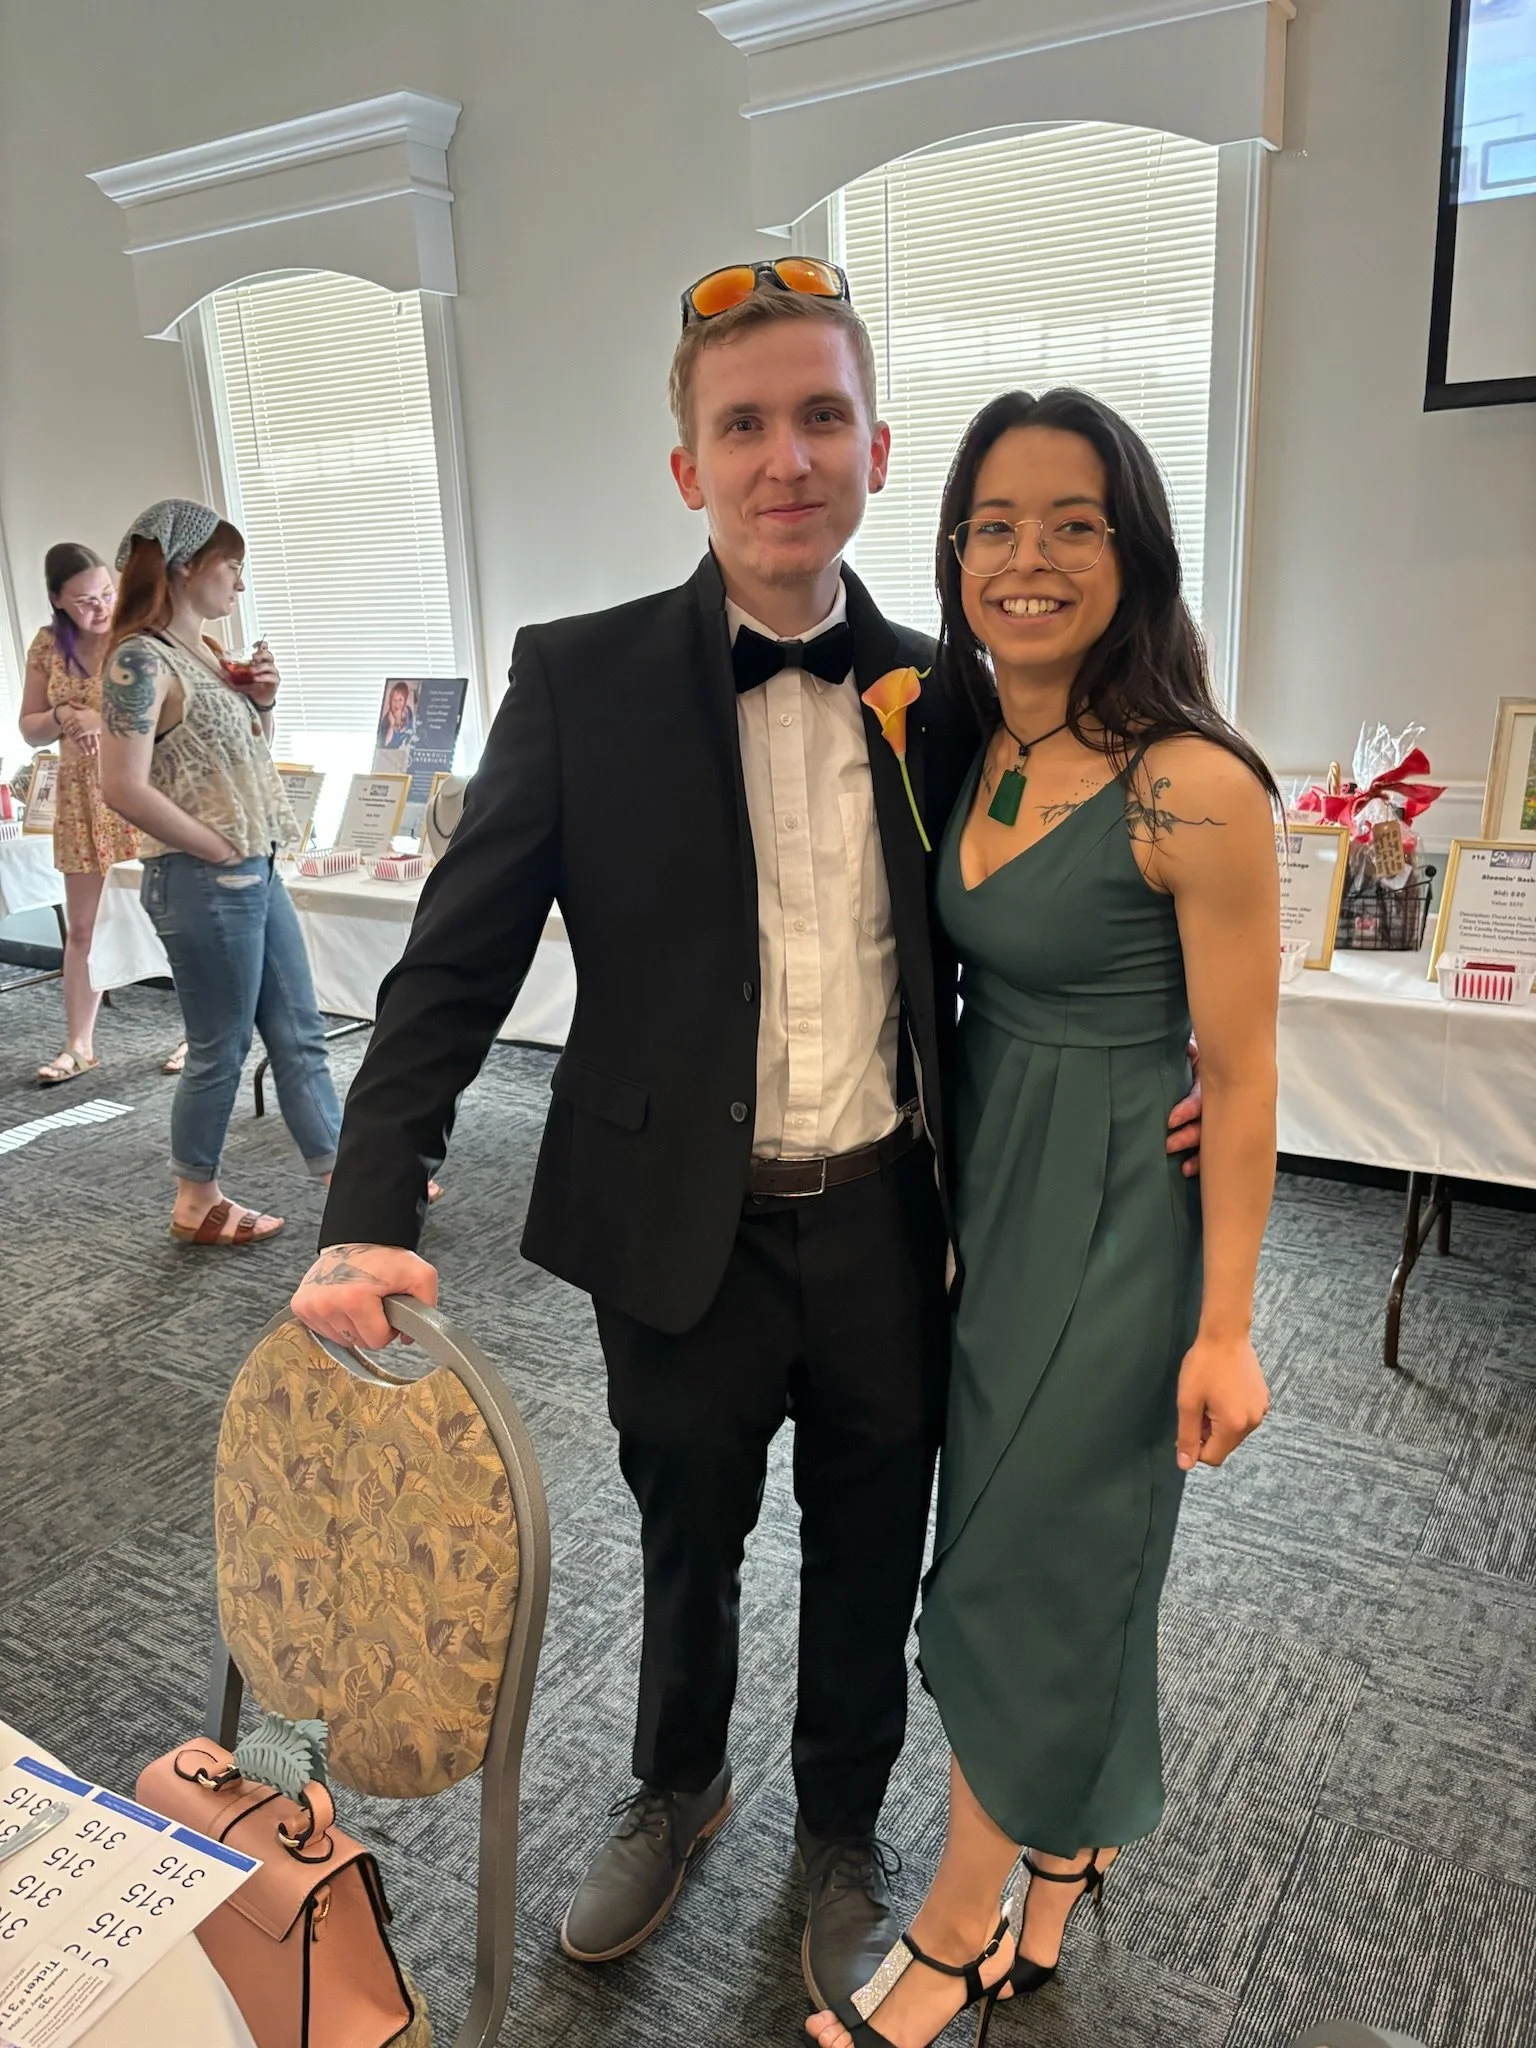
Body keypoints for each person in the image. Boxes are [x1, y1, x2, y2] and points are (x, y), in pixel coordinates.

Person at [289, 267, 1200, 2010]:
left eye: (821, 417)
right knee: (684, 1525)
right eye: (745, 424)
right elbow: (456, 961)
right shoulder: (580, 678)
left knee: (873, 1541)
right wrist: (365, 1201)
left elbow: (1081, 885)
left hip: (890, 1216)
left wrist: (1200, 1047)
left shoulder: (951, 690)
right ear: (687, 465)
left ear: (876, 450)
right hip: (670, 1216)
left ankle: (841, 1828)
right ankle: (675, 1781)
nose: (787, 457)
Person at [806, 390, 1280, 2048]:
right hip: (990, 1198)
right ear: (953, 553)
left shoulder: (1192, 788)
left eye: (1075, 523)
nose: (1031, 557)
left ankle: (952, 1928)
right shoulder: (972, 732)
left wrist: (1227, 1326)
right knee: (1069, 1551)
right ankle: (1064, 1851)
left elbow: (1245, 1072)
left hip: (1121, 1211)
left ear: (1134, 547)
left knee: (1022, 1562)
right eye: (995, 525)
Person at [98, 499, 343, 1247]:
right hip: (205, 880)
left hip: (251, 870)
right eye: (231, 566)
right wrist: (213, 847)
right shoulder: (139, 659)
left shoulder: (203, 651)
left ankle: (345, 1174)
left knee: (299, 1031)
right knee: (220, 1047)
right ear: (184, 567)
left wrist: (262, 704)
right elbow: (121, 786)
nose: (239, 583)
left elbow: (234, 759)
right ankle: (195, 1198)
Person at [18, 544, 140, 1084]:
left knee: (165, 918)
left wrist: (98, 718)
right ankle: (79, 1045)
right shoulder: (48, 644)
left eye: (107, 594)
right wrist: (63, 712)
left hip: (137, 791)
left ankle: (197, 1037)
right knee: (84, 927)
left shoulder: (135, 637)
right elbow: (29, 728)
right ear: (57, 601)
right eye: (85, 601)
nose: (100, 608)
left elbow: (164, 717)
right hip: (78, 799)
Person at [376, 680, 416, 751]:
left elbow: (412, 730)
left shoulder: (408, 711)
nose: (397, 704)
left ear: (405, 700)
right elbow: (385, 745)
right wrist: (391, 725)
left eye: (400, 700)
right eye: (394, 700)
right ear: (390, 701)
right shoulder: (387, 720)